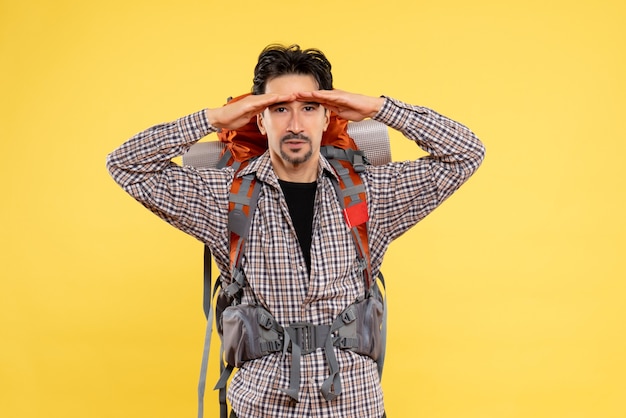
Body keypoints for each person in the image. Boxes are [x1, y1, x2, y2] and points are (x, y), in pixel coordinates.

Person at [107, 44, 485, 418]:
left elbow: (466, 152)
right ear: (258, 118)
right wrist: (215, 119)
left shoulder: (369, 193)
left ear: (326, 117)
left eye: (308, 108)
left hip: (356, 406)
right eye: (278, 108)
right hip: (261, 407)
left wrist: (377, 109)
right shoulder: (223, 197)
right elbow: (126, 165)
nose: (294, 124)